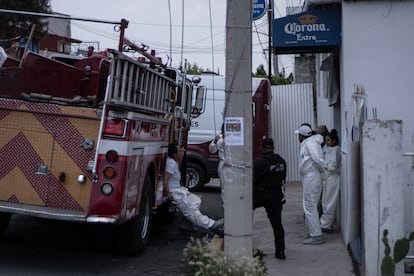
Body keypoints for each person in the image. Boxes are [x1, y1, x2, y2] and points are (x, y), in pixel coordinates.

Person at [164, 143, 223, 235]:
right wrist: (168, 192)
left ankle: (187, 223)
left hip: (179, 190)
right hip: (175, 193)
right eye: (180, 150)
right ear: (175, 154)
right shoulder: (171, 163)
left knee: (196, 201)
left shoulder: (174, 162)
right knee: (191, 210)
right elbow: (166, 178)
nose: (182, 151)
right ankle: (211, 224)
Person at [253, 138, 287, 259]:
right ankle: (280, 251)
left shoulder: (258, 163)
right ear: (272, 147)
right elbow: (283, 177)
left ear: (262, 147)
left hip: (260, 196)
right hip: (276, 196)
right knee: (277, 224)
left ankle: (245, 245)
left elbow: (252, 180)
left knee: (245, 218)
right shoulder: (281, 162)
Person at [295, 124, 326, 245]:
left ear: (302, 136)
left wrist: (323, 169)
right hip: (310, 177)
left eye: (299, 135)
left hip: (312, 177)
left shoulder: (310, 143)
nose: (297, 137)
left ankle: (316, 235)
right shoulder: (308, 143)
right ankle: (314, 232)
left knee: (310, 206)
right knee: (309, 205)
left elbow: (317, 159)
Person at [320, 129, 341, 233]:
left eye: (328, 140)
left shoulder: (336, 150)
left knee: (330, 202)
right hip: (327, 177)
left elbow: (332, 166)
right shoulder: (328, 149)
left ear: (334, 141)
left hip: (333, 177)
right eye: (326, 140)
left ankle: (326, 225)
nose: (326, 142)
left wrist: (323, 164)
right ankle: (325, 222)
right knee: (325, 201)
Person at [209, 124, 225, 203]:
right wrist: (215, 141)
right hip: (223, 163)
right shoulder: (220, 137)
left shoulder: (236, 137)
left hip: (234, 164)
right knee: (224, 188)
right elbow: (212, 150)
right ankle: (225, 210)